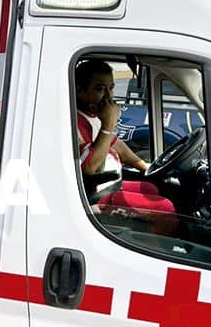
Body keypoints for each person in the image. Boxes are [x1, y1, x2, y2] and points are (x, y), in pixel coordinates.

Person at [74, 60, 177, 233]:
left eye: (111, 88)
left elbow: (117, 146)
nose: (108, 96)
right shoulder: (76, 121)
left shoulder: (94, 115)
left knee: (150, 188)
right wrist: (109, 124)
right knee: (164, 210)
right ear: (79, 90)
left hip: (109, 184)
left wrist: (145, 167)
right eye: (100, 89)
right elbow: (89, 167)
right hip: (94, 197)